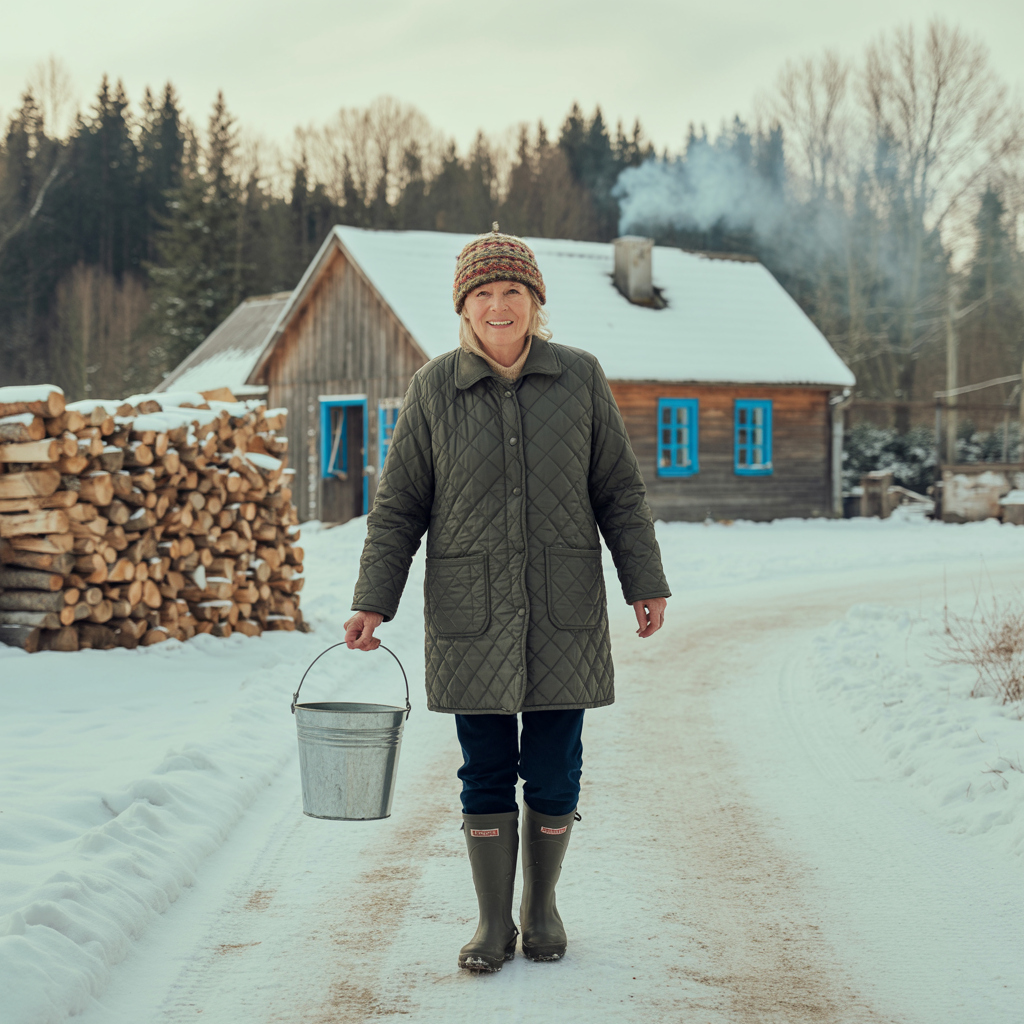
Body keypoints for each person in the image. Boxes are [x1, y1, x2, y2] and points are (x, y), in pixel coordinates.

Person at [344, 225, 670, 973]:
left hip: (564, 607)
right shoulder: (434, 389)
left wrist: (643, 579)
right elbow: (399, 508)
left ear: (535, 302)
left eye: (512, 292)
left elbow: (618, 490)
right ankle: (492, 922)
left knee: (556, 769)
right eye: (484, 294)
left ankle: (541, 907)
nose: (499, 306)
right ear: (465, 306)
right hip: (472, 611)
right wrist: (373, 600)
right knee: (484, 768)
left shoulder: (580, 378)